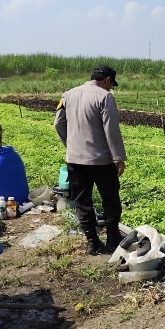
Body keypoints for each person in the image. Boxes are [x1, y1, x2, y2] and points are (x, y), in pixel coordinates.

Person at [54, 65, 126, 255]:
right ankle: (112, 239)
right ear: (107, 80)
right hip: (101, 161)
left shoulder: (67, 95)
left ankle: (93, 242)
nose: (110, 88)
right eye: (111, 84)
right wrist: (118, 158)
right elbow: (111, 131)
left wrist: (71, 145)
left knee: (82, 201)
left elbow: (58, 123)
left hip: (75, 161)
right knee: (110, 199)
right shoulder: (105, 97)